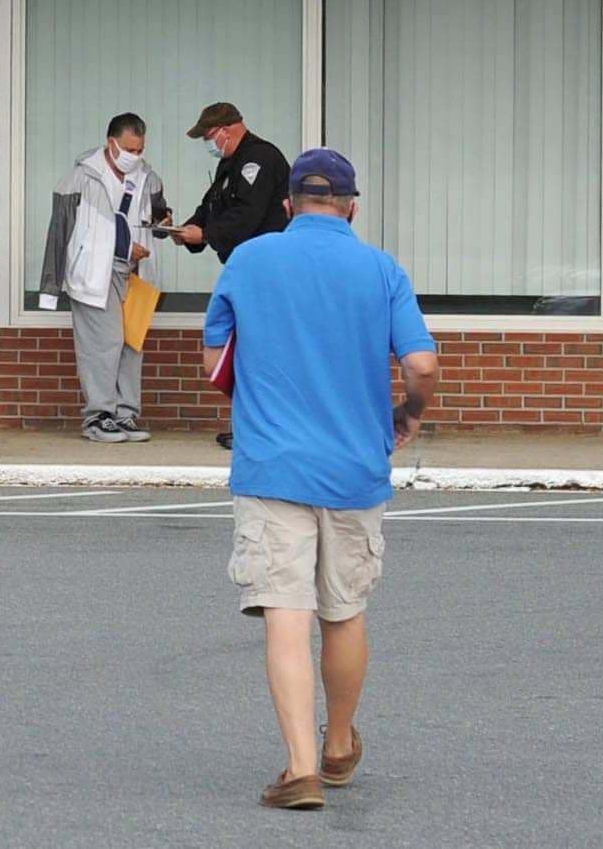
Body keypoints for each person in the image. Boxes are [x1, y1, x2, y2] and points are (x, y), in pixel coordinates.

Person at [202, 148, 438, 811]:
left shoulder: (249, 259)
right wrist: (408, 415)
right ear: (351, 206)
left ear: (287, 205)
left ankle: (299, 769)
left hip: (273, 464)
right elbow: (420, 364)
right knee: (344, 611)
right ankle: (338, 747)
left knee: (285, 613)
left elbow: (213, 360)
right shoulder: (380, 269)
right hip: (355, 468)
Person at [38, 112, 169, 443]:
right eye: (129, 149)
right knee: (103, 343)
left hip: (136, 273)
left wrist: (165, 223)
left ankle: (125, 415)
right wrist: (50, 289)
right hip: (95, 272)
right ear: (111, 143)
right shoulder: (81, 177)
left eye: (139, 150)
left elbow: (157, 216)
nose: (135, 156)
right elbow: (59, 231)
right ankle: (98, 416)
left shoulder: (148, 177)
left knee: (130, 344)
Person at [175, 102, 293, 450]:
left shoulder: (259, 159)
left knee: (263, 349)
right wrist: (190, 228)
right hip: (248, 268)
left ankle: (265, 427)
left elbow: (247, 215)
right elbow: (213, 204)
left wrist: (207, 235)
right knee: (248, 348)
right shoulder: (231, 162)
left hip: (267, 269)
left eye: (209, 137)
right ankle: (250, 424)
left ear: (227, 130)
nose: (209, 144)